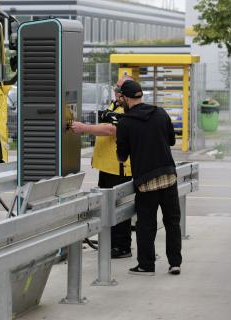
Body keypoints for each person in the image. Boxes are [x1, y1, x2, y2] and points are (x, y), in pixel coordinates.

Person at [115, 79, 182, 276]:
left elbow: (122, 156)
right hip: (169, 176)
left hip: (145, 181)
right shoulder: (160, 113)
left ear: (125, 98)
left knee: (146, 224)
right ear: (140, 95)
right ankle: (175, 263)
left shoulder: (125, 123)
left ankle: (146, 265)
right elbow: (171, 140)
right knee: (172, 221)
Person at [70, 76, 133, 258]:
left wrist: (83, 128)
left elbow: (110, 130)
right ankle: (113, 242)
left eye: (119, 88)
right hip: (107, 167)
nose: (116, 90)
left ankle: (122, 247)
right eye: (116, 87)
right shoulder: (115, 105)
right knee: (108, 207)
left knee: (119, 209)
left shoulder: (127, 109)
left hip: (119, 168)